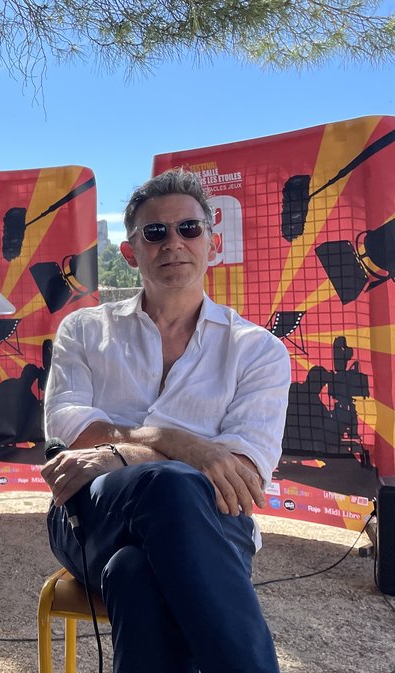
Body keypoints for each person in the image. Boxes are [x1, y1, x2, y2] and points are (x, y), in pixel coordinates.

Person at [41, 169, 290, 673]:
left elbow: (238, 476)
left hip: (215, 529)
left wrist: (118, 454)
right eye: (155, 232)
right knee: (172, 482)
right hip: (88, 518)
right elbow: (68, 424)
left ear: (211, 243)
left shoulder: (258, 351)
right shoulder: (85, 330)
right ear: (131, 251)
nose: (173, 243)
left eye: (188, 229)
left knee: (135, 572)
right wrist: (180, 442)